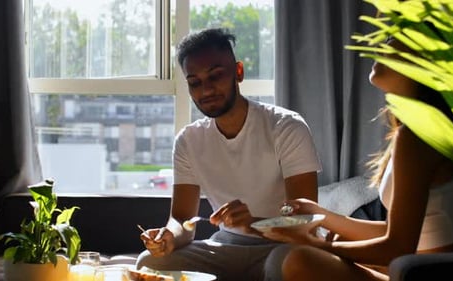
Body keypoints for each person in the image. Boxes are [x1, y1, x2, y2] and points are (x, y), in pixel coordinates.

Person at [263, 36, 453, 281]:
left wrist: (312, 243)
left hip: (428, 273)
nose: (381, 43)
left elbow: (397, 247)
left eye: (394, 37)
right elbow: (396, 233)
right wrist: (324, 215)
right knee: (322, 246)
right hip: (418, 265)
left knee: (299, 261)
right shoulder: (420, 129)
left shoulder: (417, 137)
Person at [135, 28, 322, 281]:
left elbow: (304, 222)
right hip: (225, 246)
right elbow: (182, 220)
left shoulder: (286, 127)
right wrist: (168, 236)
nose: (206, 90)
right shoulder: (189, 141)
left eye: (216, 76)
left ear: (239, 72)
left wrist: (253, 222)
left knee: (290, 265)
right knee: (148, 263)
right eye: (195, 82)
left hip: (283, 247)